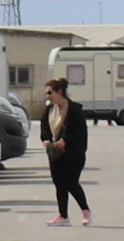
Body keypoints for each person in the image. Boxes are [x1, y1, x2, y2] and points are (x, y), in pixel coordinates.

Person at [40, 77, 94, 226]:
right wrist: (46, 139)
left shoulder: (74, 110)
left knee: (71, 182)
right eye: (47, 93)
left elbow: (80, 132)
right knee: (59, 184)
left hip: (73, 153)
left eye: (50, 92)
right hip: (56, 153)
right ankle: (63, 216)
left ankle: (86, 211)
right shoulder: (50, 109)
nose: (48, 96)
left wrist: (66, 141)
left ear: (60, 92)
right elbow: (44, 126)